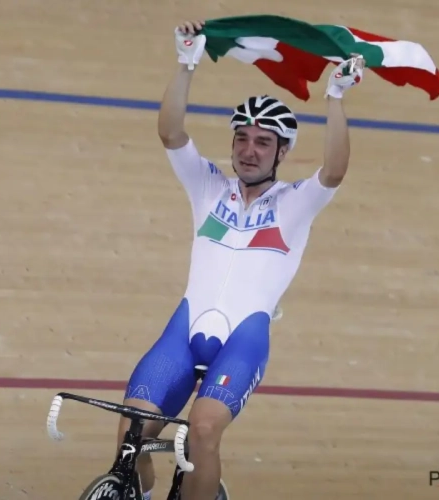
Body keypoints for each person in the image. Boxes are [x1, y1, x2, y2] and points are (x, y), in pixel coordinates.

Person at [116, 19, 365, 500]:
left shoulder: (296, 203)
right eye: (242, 139)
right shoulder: (209, 187)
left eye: (263, 142)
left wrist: (335, 98)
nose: (249, 151)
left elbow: (334, 169)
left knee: (203, 432)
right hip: (183, 335)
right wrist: (187, 61)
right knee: (132, 430)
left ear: (283, 152)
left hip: (242, 341)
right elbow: (170, 132)